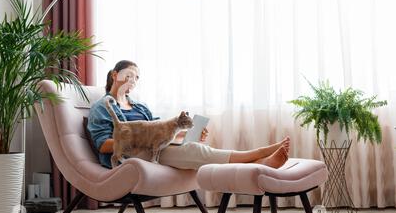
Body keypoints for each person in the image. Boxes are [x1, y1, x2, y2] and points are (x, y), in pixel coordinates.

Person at [87, 60, 290, 170]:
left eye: (137, 78)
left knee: (196, 146)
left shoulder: (140, 107)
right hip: (131, 154)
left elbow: (161, 134)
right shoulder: (102, 107)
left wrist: (184, 134)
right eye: (129, 76)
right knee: (195, 151)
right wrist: (142, 140)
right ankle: (260, 155)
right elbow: (103, 144)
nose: (133, 81)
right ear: (115, 75)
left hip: (153, 149)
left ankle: (260, 164)